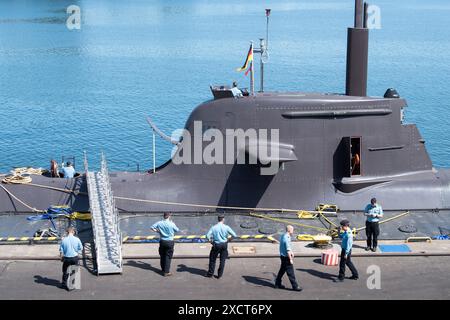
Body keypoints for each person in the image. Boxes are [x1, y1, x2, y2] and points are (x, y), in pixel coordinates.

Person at [205, 215, 237, 279]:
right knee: (222, 261)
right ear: (223, 219)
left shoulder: (213, 227)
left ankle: (210, 274)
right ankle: (219, 275)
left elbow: (207, 235)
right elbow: (234, 235)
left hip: (216, 245)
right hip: (224, 244)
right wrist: (229, 240)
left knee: (212, 260)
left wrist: (211, 241)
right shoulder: (226, 227)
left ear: (218, 219)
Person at [274, 225, 302, 291]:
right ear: (289, 230)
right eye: (292, 230)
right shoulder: (287, 238)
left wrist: (291, 252)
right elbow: (288, 250)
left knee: (282, 270)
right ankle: (295, 286)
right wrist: (291, 259)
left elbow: (286, 247)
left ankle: (277, 284)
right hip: (286, 257)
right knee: (291, 272)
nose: (293, 231)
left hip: (282, 256)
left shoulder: (283, 235)